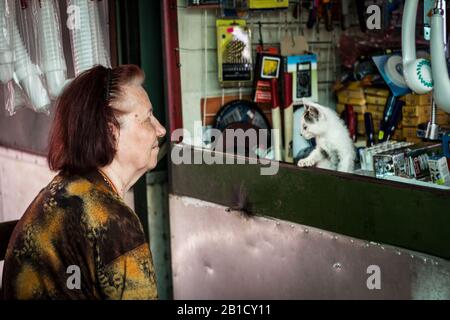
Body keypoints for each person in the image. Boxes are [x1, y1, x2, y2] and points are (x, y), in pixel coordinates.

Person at [2, 64, 166, 299]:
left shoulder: (63, 189)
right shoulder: (113, 223)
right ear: (112, 134)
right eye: (148, 118)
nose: (161, 129)